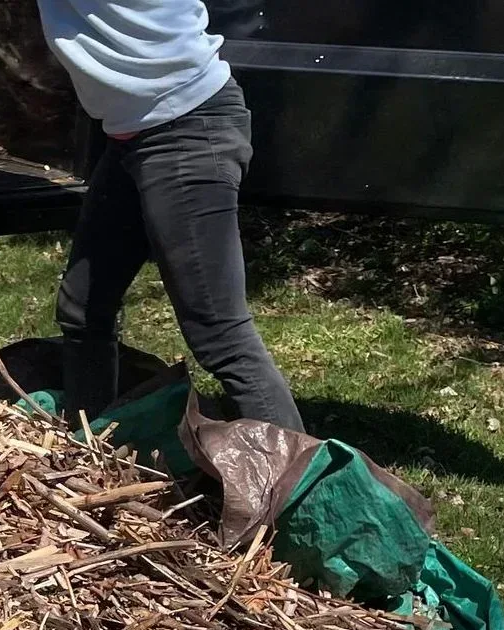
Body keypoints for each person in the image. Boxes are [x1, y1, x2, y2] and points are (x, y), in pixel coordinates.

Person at [38, 0, 305, 431]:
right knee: (83, 308)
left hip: (187, 129)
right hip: (134, 136)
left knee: (220, 334)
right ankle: (89, 449)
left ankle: (295, 488)